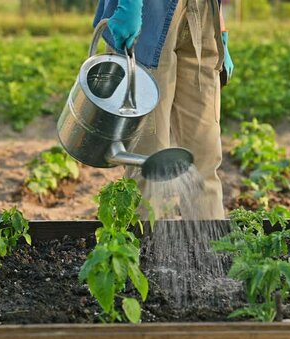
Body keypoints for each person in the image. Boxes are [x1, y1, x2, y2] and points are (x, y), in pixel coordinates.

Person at [93, 0, 234, 220]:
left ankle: (209, 247)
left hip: (203, 13)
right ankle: (142, 249)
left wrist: (220, 23)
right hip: (148, 13)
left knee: (204, 156)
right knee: (147, 160)